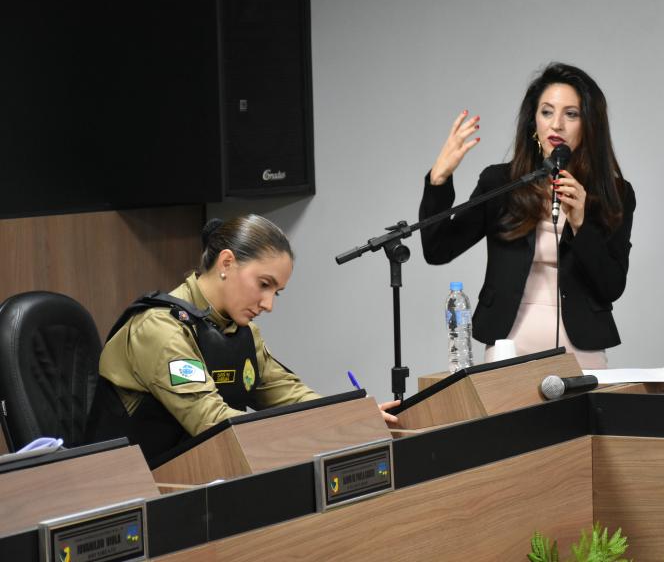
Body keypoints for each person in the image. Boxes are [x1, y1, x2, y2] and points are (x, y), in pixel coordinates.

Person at [89, 214, 399, 460]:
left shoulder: (241, 332)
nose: (269, 304)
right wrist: (316, 426)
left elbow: (286, 392)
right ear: (226, 263)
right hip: (124, 494)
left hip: (195, 484)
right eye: (264, 284)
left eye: (276, 292)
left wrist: (350, 415)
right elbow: (213, 423)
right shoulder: (160, 328)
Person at [419, 63, 635, 369]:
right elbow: (438, 250)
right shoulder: (501, 183)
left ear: (589, 124)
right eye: (547, 112)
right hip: (509, 345)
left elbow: (611, 286)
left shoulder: (615, 193)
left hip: (582, 349)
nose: (556, 125)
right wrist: (438, 181)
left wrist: (580, 222)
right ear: (534, 121)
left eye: (571, 114)